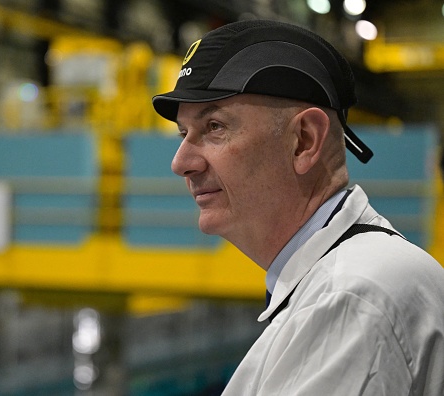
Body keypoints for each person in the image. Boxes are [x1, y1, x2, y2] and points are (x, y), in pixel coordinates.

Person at [152, 19, 444, 395]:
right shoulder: (338, 284)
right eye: (183, 133)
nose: (181, 162)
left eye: (214, 127)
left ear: (304, 141)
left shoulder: (352, 297)